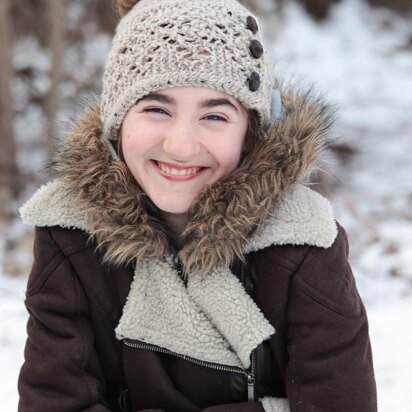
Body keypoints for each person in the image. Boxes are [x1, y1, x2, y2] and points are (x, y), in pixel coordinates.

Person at [17, 0, 377, 411]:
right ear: (117, 123)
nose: (181, 146)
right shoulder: (70, 234)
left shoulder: (304, 239)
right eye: (156, 109)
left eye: (216, 117)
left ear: (251, 134)